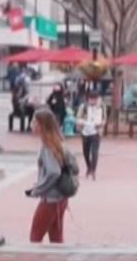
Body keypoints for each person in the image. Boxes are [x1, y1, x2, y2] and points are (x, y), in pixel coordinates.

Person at [25, 108, 69, 243]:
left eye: (34, 122)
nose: (31, 125)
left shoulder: (47, 145)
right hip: (60, 197)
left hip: (50, 198)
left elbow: (53, 171)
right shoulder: (57, 142)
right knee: (56, 237)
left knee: (35, 235)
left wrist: (39, 189)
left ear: (41, 125)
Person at [77, 90, 107, 179]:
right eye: (91, 99)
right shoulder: (84, 107)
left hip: (96, 131)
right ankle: (89, 166)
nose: (93, 101)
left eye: (95, 99)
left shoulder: (102, 106)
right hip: (85, 131)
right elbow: (78, 117)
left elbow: (104, 118)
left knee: (94, 152)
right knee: (85, 152)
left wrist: (102, 123)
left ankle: (93, 170)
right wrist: (81, 123)